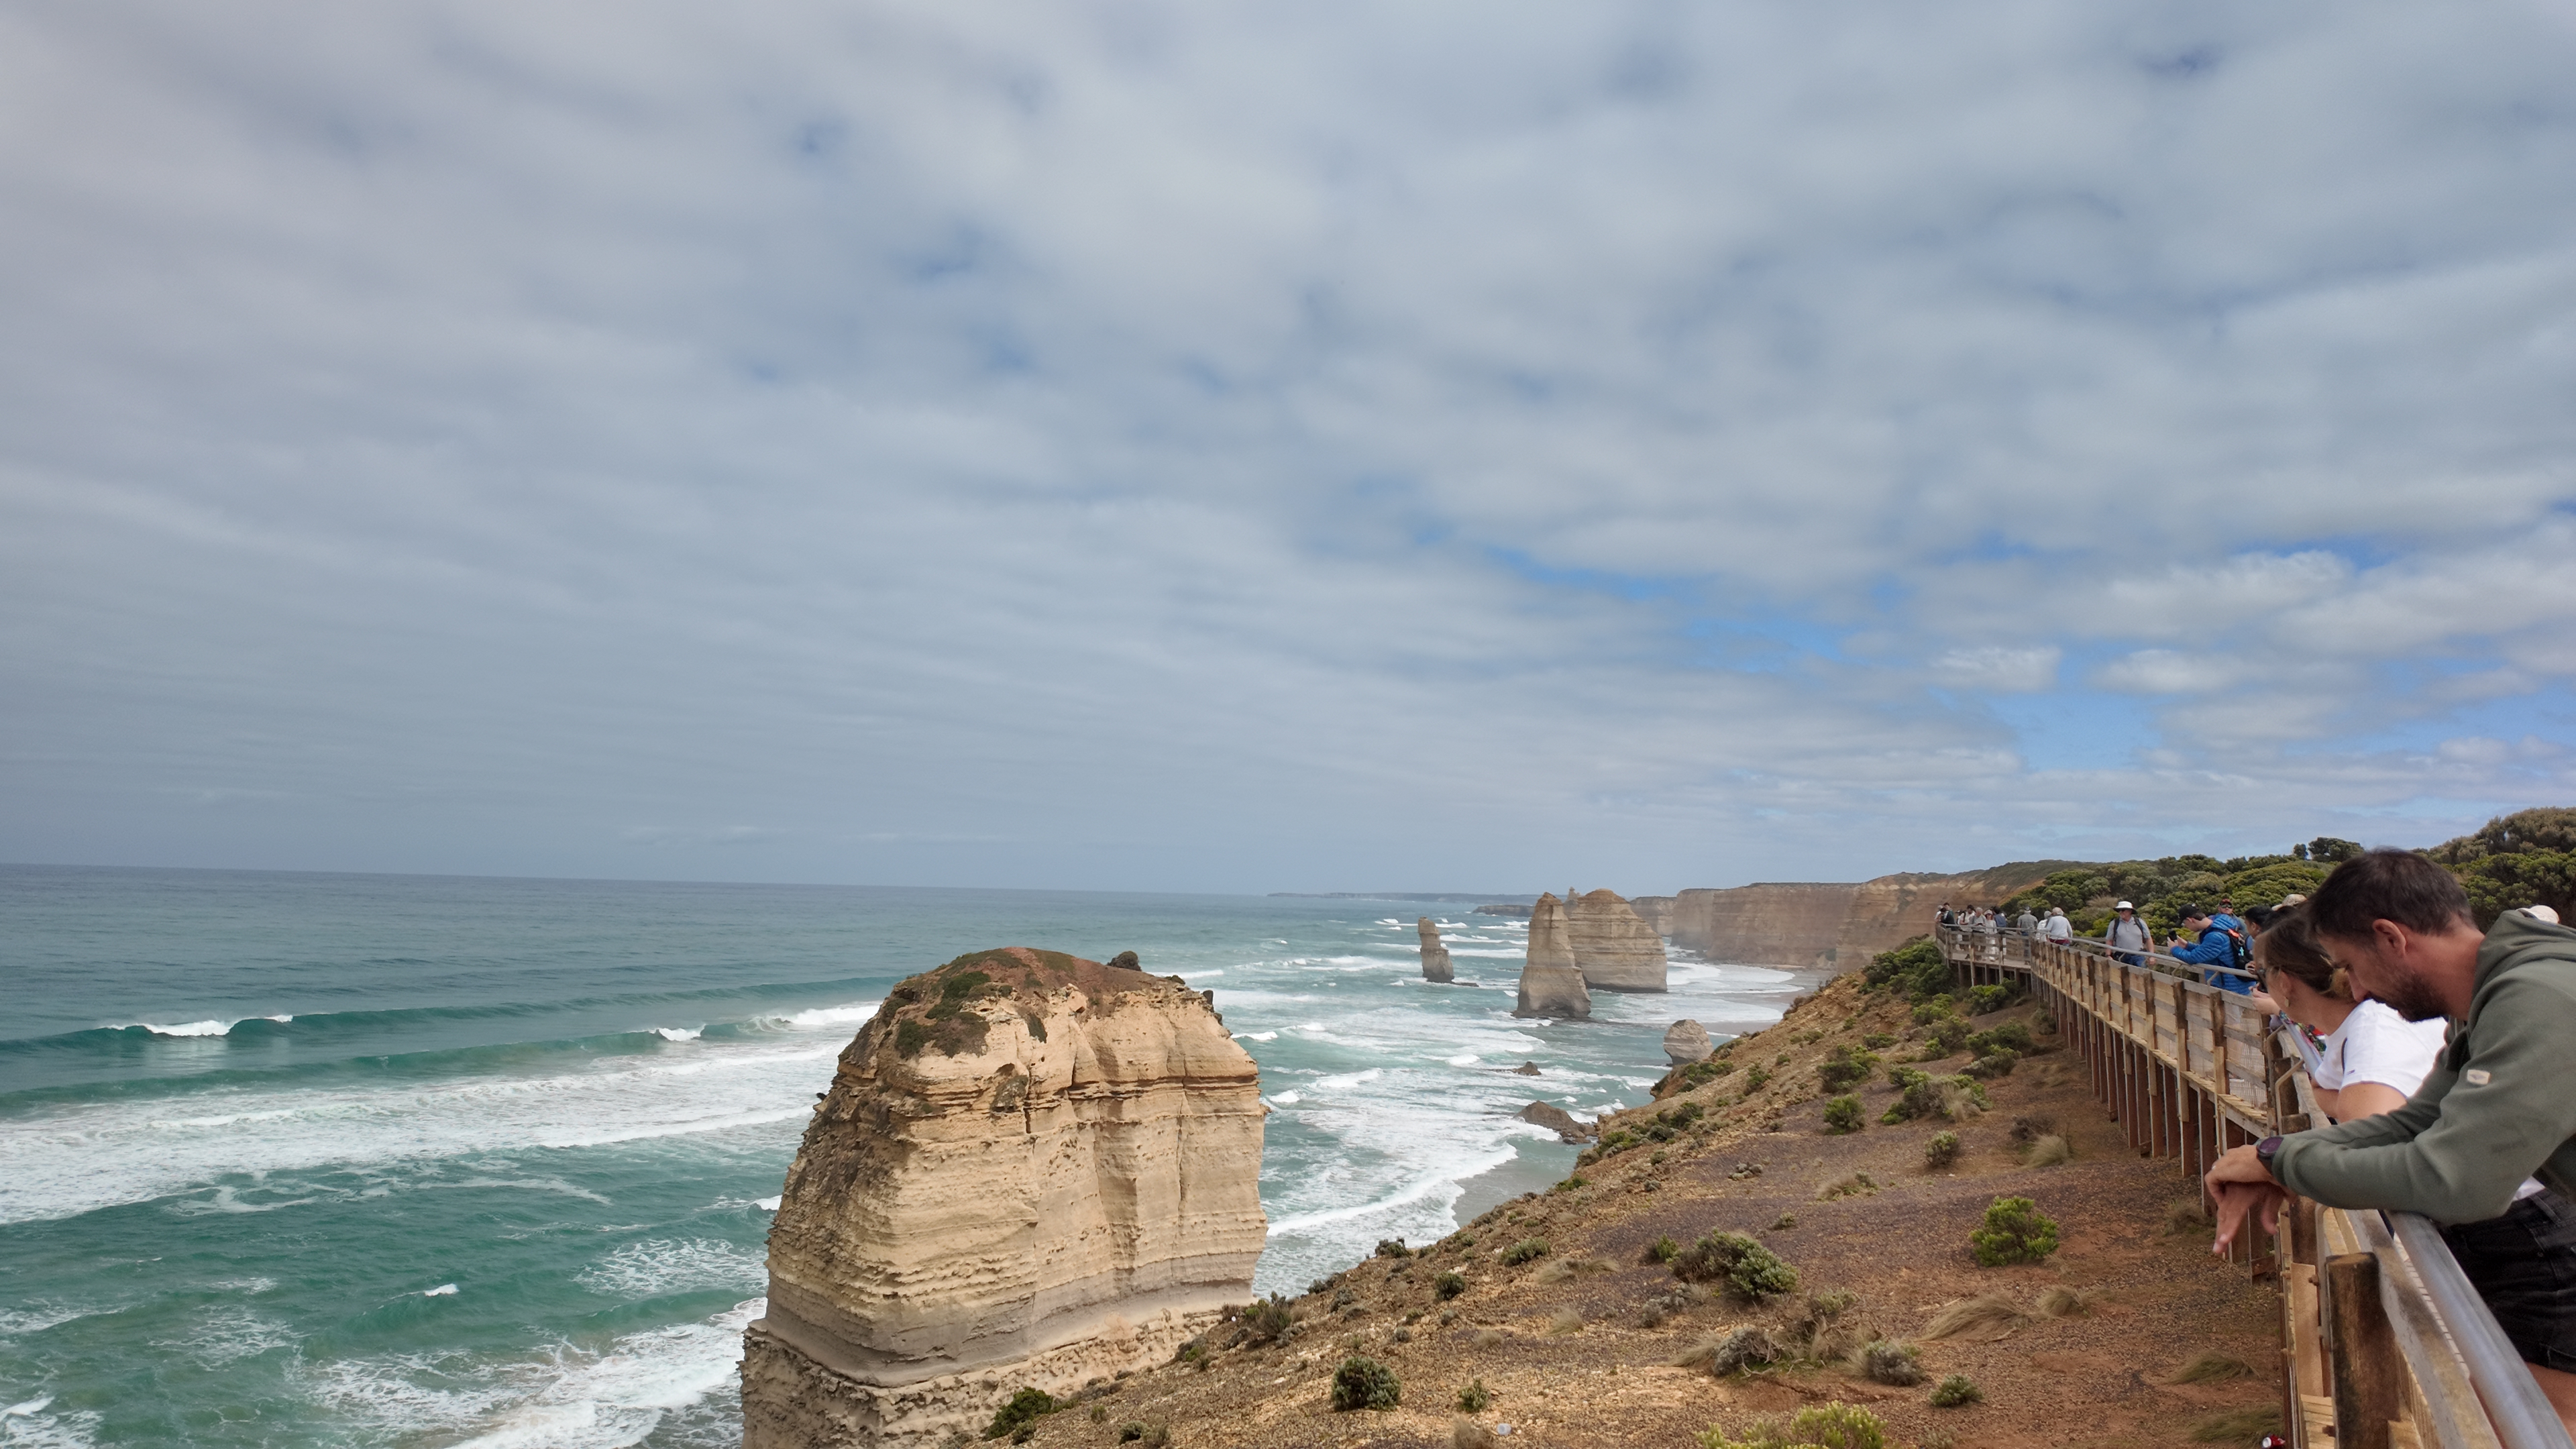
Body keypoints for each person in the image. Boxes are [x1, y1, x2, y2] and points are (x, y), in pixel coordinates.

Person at [2204, 851, 2576, 1434]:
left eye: (2351, 965)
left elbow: (2456, 1182)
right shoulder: (2487, 999)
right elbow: (2414, 1121)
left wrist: (2286, 1163)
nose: (2353, 987)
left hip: (2547, 1245)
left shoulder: (2536, 1000)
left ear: (2390, 938)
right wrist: (2270, 1157)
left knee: (2541, 1423)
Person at [2169, 905, 2254, 994]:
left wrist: (2174, 949)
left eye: (2184, 923)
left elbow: (2192, 958)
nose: (2186, 926)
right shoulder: (2222, 923)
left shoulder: (2215, 936)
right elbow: (2208, 951)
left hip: (2231, 987)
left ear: (2190, 920)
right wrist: (2187, 946)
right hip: (2239, 982)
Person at [2104, 901, 2153, 965]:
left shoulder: (2140, 922)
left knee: (2141, 971)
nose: (2121, 912)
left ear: (2130, 911)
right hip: (2121, 955)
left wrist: (2152, 956)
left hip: (2138, 955)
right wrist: (2108, 955)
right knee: (2122, 972)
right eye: (2119, 910)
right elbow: (2109, 940)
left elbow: (2148, 939)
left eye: (2123, 910)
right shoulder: (2114, 923)